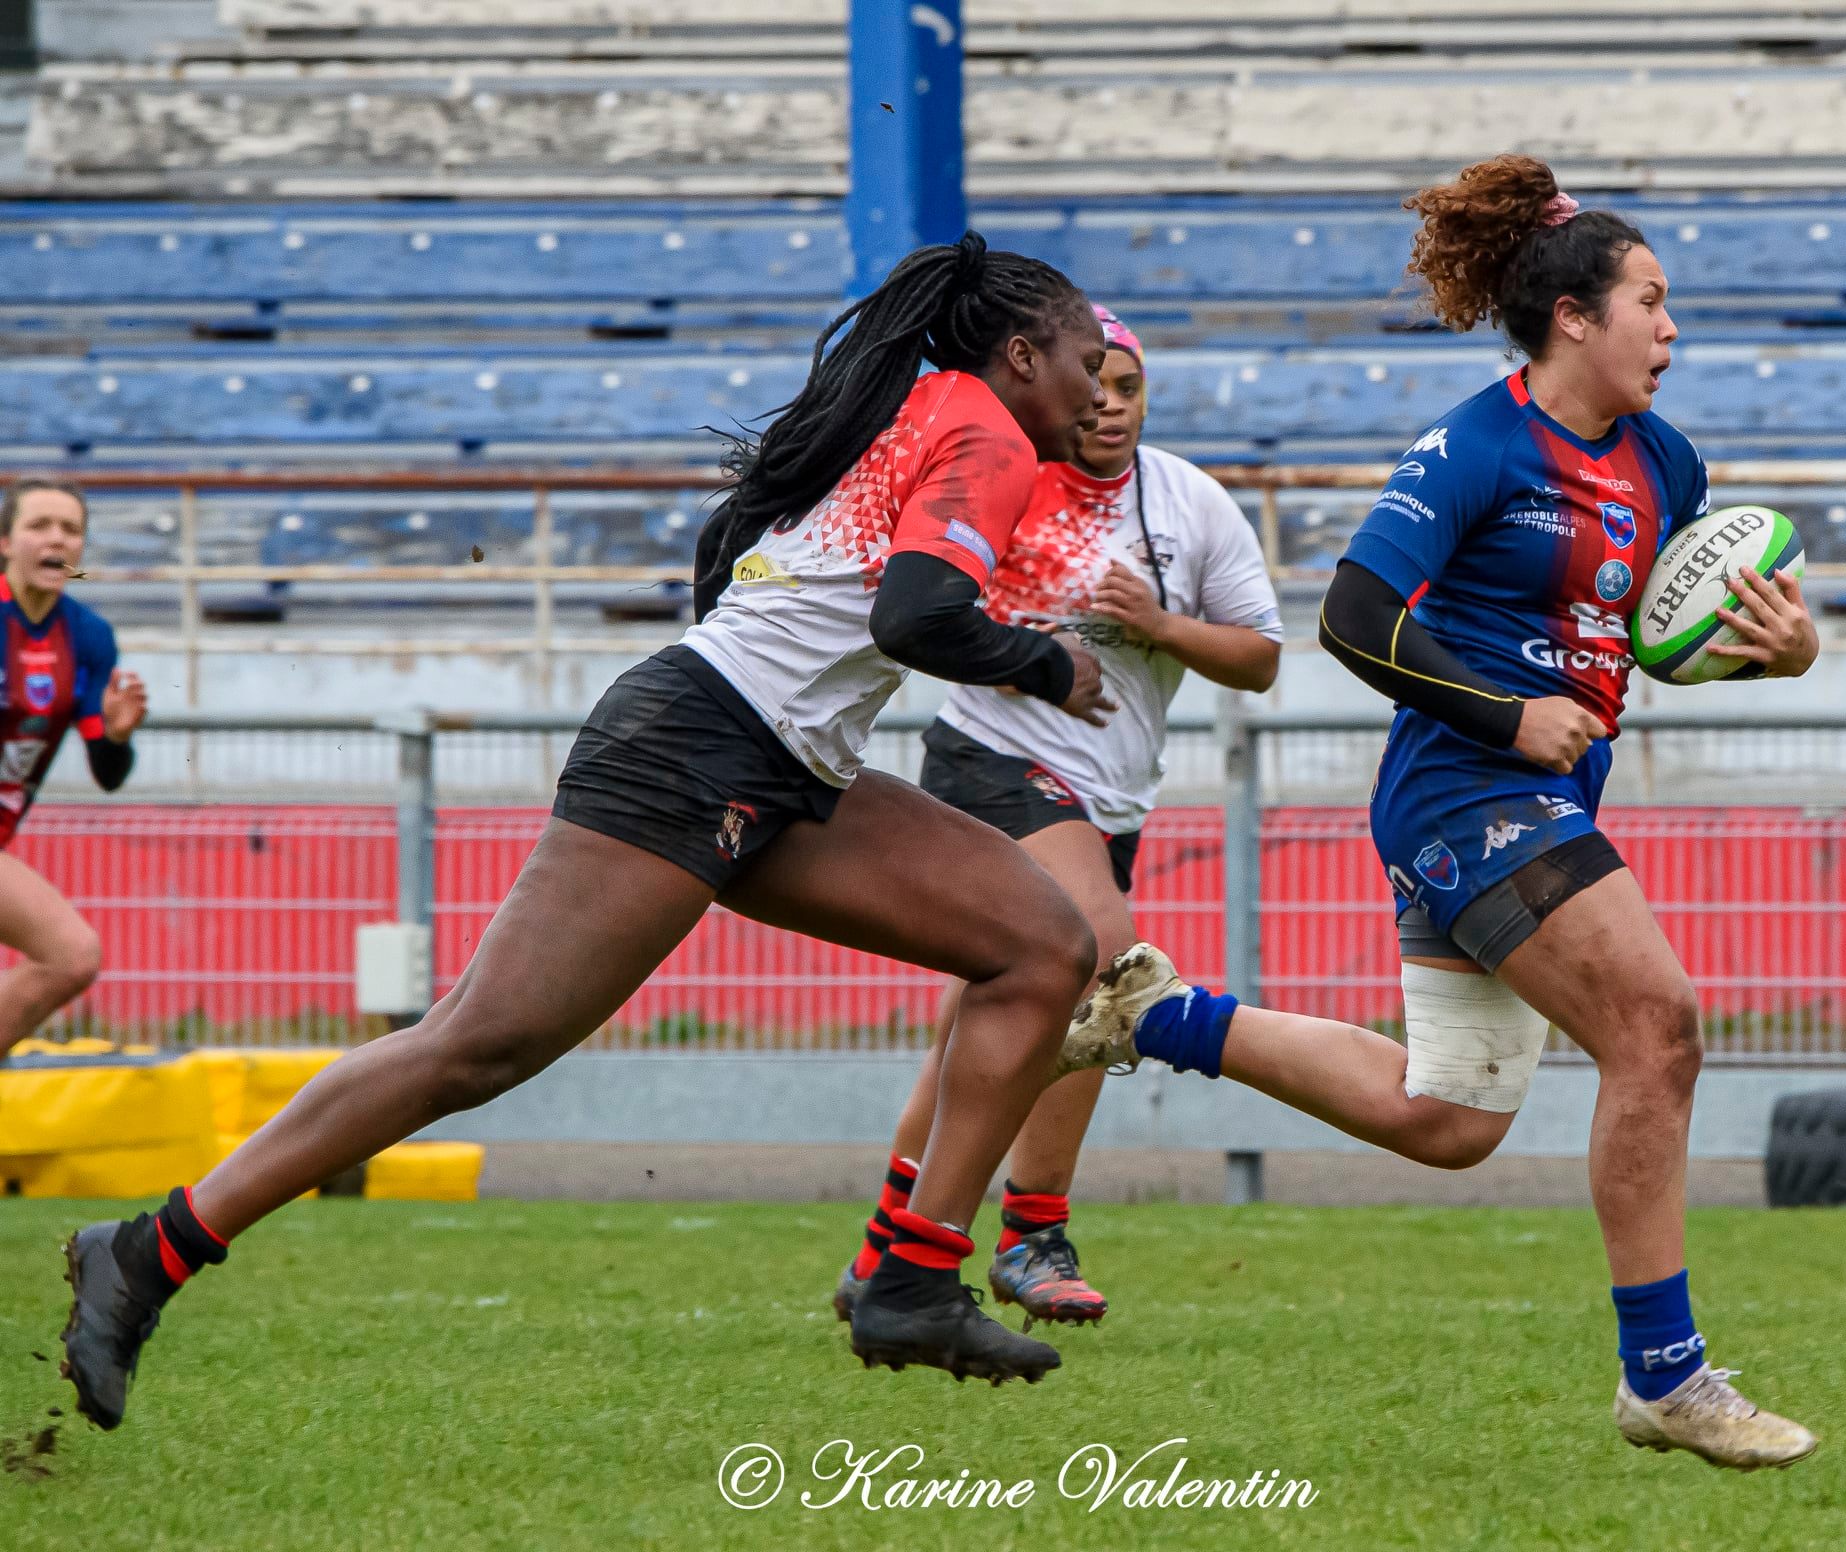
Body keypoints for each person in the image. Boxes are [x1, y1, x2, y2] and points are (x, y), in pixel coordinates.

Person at [60, 233, 1122, 1431]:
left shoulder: (916, 401)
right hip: (702, 746)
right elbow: (918, 611)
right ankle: (151, 1249)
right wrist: (1051, 665)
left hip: (766, 757)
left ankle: (911, 1277)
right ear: (1023, 353)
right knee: (479, 1043)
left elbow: (749, 561)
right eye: (1088, 360)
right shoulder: (978, 427)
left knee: (1042, 945)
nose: (1099, 386)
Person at [1054, 156, 1824, 1470]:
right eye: (1650, 299)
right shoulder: (1476, 447)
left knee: (1447, 1121)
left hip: (1528, 797)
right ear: (1575, 317)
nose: (1671, 326)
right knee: (1657, 1027)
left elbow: (1684, 620)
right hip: (1467, 789)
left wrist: (1785, 649)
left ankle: (1151, 1013)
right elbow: (1355, 616)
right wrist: (1509, 715)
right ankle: (1667, 1377)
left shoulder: (1666, 458)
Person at [832, 307, 1283, 1330]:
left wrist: (1161, 626)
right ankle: (1032, 1230)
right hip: (986, 760)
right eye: (1095, 383)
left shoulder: (1188, 502)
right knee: (1093, 952)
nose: (1109, 405)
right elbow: (911, 601)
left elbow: (1258, 658)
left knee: (985, 1019)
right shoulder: (1001, 478)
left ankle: (885, 1252)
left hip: (1106, 797)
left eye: (1128, 386)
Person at [0, 479, 146, 1062]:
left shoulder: (87, 637)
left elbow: (107, 774)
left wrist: (115, 735)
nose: (56, 538)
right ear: (5, 543)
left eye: (70, 529)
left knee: (71, 955)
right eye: (39, 525)